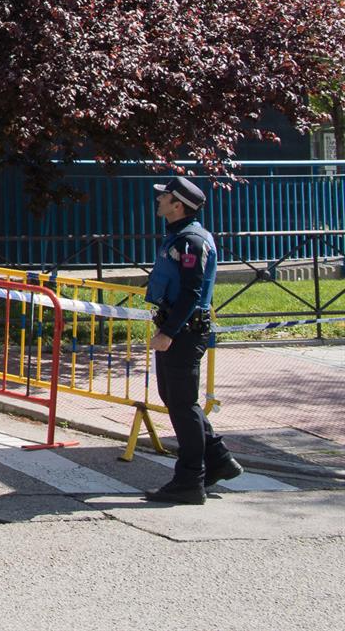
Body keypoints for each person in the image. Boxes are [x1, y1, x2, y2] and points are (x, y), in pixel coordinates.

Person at [144, 174, 244, 505]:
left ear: (178, 205)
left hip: (184, 331)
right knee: (175, 399)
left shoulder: (191, 242)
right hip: (177, 328)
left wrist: (169, 333)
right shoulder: (177, 237)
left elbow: (192, 292)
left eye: (164, 197)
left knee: (182, 405)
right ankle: (218, 459)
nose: (158, 200)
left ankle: (189, 481)